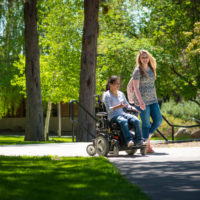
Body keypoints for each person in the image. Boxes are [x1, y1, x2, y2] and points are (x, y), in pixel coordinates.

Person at [127, 49, 162, 153]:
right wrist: (141, 101)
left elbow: (153, 85)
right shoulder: (138, 70)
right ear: (140, 59)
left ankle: (145, 141)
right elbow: (136, 88)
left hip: (153, 100)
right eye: (142, 57)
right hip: (142, 101)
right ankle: (146, 147)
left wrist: (155, 97)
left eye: (146, 57)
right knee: (146, 124)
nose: (145, 59)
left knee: (158, 120)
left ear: (149, 58)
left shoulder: (152, 68)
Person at [103, 75, 143, 147]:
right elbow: (109, 109)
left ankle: (139, 141)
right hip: (113, 116)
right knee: (123, 121)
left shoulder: (121, 94)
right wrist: (118, 106)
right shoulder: (106, 95)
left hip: (122, 114)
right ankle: (129, 141)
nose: (118, 85)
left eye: (119, 83)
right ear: (110, 84)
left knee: (136, 120)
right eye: (116, 84)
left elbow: (127, 105)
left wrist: (132, 108)